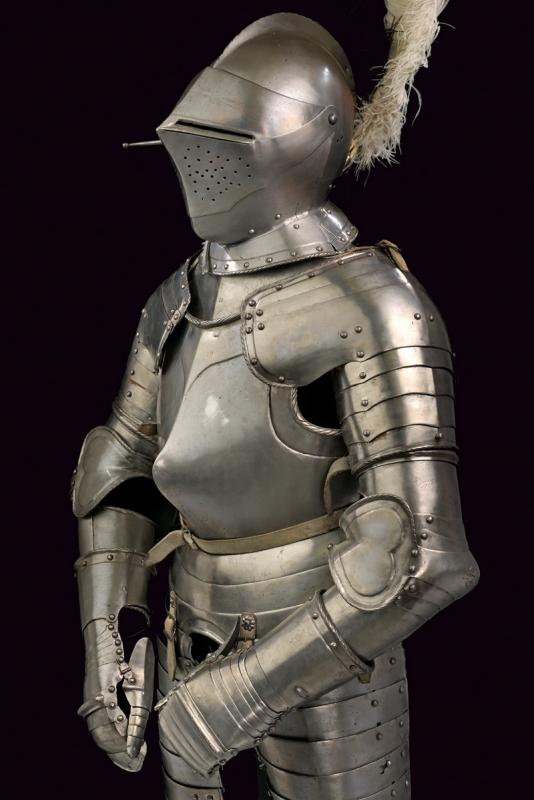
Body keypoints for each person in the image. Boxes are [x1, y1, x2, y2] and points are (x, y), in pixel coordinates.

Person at [72, 7, 479, 799]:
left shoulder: (372, 303)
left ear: (303, 140)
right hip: (187, 638)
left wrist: (237, 697)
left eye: (222, 147)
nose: (199, 167)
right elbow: (116, 475)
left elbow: (423, 556)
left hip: (327, 654)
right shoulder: (175, 301)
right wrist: (106, 645)